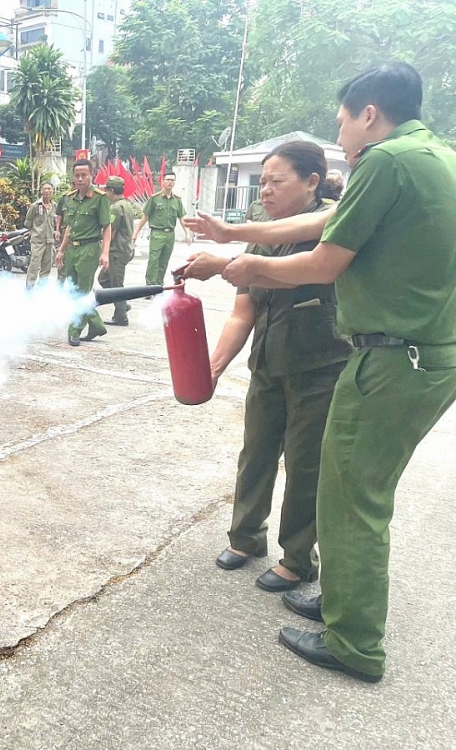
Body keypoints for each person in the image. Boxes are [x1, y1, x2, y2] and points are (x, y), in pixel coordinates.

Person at [207, 63, 456, 683]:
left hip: (394, 357)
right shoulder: (434, 156)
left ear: (368, 112)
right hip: (425, 353)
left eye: (342, 119)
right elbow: (322, 223)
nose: (339, 133)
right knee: (354, 490)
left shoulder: (385, 160)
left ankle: (355, 643)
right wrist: (237, 234)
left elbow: (323, 260)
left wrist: (244, 268)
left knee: (351, 501)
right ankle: (343, 598)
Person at [206, 141, 353, 598]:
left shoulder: (336, 225)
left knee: (306, 464)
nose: (265, 191)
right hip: (269, 364)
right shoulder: (264, 234)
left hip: (319, 366)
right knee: (257, 452)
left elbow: (305, 273)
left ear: (312, 182)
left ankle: (296, 559)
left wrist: (229, 261)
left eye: (276, 181)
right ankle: (246, 537)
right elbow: (242, 311)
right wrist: (212, 368)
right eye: (263, 181)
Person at [56, 159, 111, 346]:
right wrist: (61, 250)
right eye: (77, 175)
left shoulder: (99, 198)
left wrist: (105, 253)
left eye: (84, 175)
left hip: (89, 249)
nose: (80, 179)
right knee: (72, 291)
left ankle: (74, 331)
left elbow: (106, 227)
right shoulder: (70, 198)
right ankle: (96, 325)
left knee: (82, 292)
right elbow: (70, 228)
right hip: (72, 248)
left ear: (91, 175)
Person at [131, 171, 189, 285]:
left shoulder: (177, 200)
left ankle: (158, 285)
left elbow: (182, 217)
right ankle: (149, 286)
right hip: (157, 233)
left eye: (172, 180)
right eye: (168, 179)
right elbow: (145, 217)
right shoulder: (155, 199)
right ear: (162, 181)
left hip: (170, 235)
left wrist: (187, 233)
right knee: (154, 260)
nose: (170, 182)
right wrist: (135, 233)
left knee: (164, 261)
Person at [97, 175, 136, 326]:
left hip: (116, 252)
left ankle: (121, 316)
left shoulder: (115, 208)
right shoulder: (126, 205)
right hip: (124, 249)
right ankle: (122, 304)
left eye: (106, 190)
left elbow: (111, 232)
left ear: (111, 191)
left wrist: (102, 251)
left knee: (117, 284)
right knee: (104, 279)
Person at [24, 181, 57, 289]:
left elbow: (56, 223)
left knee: (46, 268)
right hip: (38, 241)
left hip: (50, 241)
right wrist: (35, 232)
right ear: (41, 191)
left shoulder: (55, 206)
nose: (47, 191)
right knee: (34, 266)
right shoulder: (35, 206)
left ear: (52, 190)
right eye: (45, 189)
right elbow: (28, 222)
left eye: (49, 188)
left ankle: (41, 290)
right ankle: (29, 289)